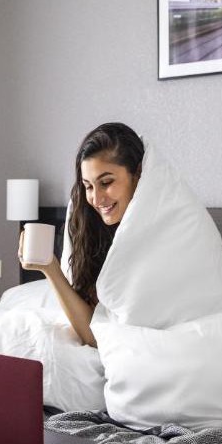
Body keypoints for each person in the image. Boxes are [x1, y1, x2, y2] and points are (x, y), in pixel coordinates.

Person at [17, 122, 144, 348]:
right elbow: (91, 328)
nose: (96, 198)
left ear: (137, 176)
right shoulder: (92, 230)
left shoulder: (158, 244)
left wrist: (52, 270)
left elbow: (96, 339)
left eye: (106, 182)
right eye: (88, 186)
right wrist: (49, 268)